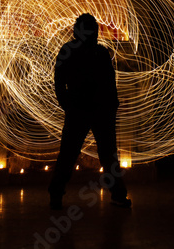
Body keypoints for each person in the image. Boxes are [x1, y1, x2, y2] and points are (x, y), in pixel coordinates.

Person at [48, 13, 131, 210]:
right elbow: (109, 82)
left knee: (70, 154)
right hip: (93, 109)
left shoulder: (72, 50)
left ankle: (56, 196)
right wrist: (111, 105)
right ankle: (118, 196)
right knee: (105, 155)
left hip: (88, 109)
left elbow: (60, 80)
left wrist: (67, 103)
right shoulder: (97, 52)